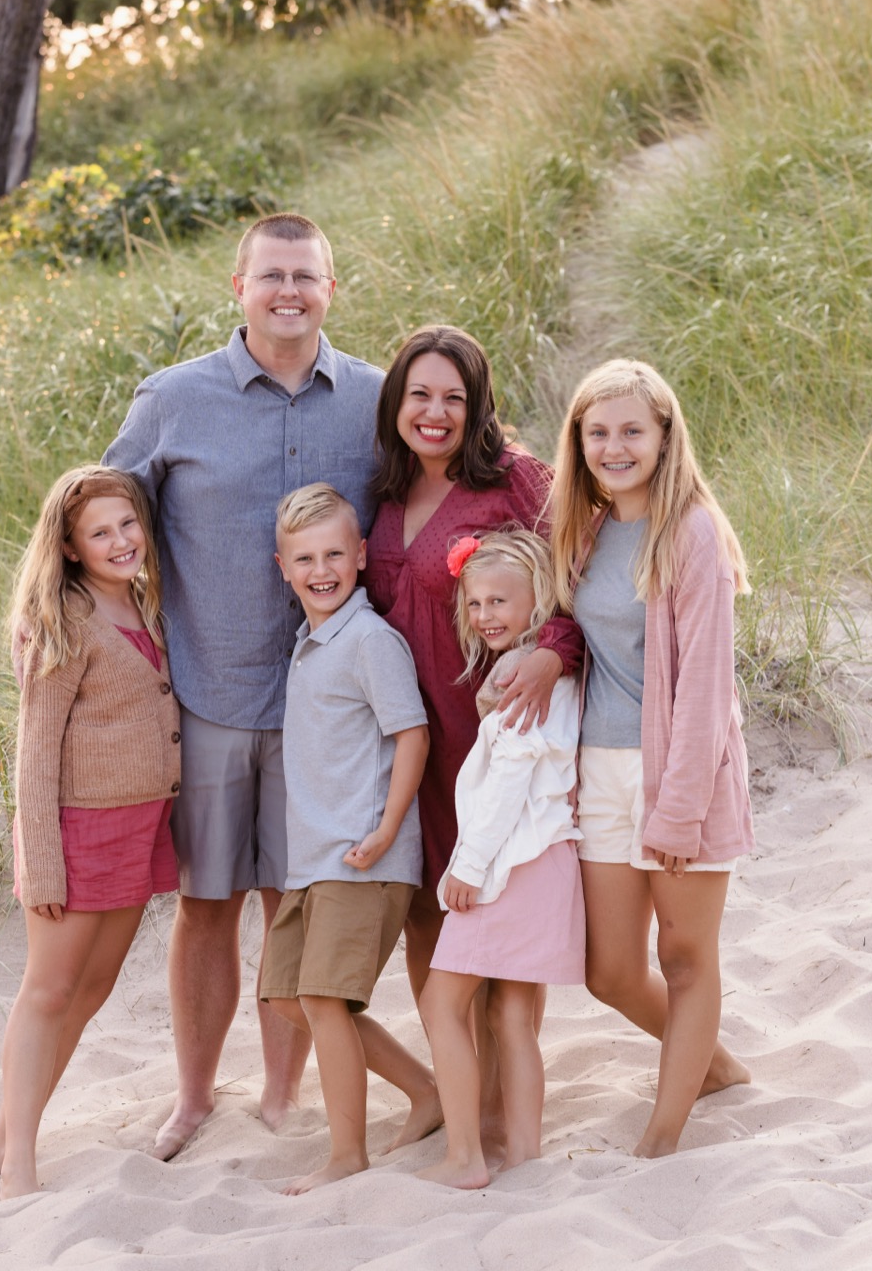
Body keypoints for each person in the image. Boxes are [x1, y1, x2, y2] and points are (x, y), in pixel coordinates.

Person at [104, 213, 383, 1159]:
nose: (290, 291)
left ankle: (280, 1093)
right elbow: (100, 514)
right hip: (213, 697)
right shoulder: (173, 400)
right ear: (239, 286)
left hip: (331, 711)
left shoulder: (374, 401)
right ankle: (192, 1095)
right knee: (210, 906)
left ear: (332, 289)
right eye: (272, 275)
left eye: (307, 274)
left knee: (294, 903)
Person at [547, 359, 755, 1159]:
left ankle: (663, 1136)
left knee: (685, 955)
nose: (614, 447)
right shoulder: (588, 529)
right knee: (611, 970)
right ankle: (716, 1065)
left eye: (632, 430)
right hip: (601, 771)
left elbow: (705, 684)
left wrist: (679, 805)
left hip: (679, 773)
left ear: (666, 437)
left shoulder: (693, 532)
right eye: (597, 432)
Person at [0, 466, 182, 1199]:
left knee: (92, 988)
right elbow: (34, 757)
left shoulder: (146, 604)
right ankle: (19, 1165)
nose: (120, 541)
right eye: (100, 532)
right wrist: (43, 864)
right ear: (68, 545)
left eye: (127, 525)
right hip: (77, 831)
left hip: (142, 824)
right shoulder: (60, 623)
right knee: (49, 991)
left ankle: (4, 1137)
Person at [360, 325, 583, 996]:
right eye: (419, 394)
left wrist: (554, 654)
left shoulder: (515, 480)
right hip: (405, 740)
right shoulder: (385, 490)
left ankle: (498, 1091)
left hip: (488, 731)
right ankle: (464, 1087)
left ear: (478, 405)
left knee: (497, 910)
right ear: (395, 402)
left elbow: (585, 582)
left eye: (453, 398)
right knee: (429, 912)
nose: (435, 413)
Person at [257, 483, 441, 1193]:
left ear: (362, 556)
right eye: (305, 557)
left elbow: (412, 736)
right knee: (288, 998)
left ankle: (346, 1155)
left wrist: (387, 829)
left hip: (366, 855)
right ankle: (423, 1091)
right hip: (315, 857)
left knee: (327, 1001)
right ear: (283, 566)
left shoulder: (369, 641)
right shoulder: (308, 643)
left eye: (335, 553)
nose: (321, 568)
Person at [416, 529, 584, 1190]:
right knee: (512, 1015)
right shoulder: (550, 673)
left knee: (440, 1001)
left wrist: (468, 865)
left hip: (508, 864)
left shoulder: (523, 676)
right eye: (476, 603)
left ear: (537, 600)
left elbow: (511, 776)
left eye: (500, 601)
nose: (486, 615)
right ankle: (524, 1153)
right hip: (547, 863)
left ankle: (464, 1158)